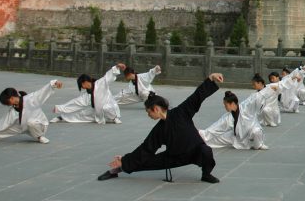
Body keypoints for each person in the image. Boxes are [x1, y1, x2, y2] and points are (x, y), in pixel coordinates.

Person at [96, 73, 225, 183]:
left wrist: (210, 78)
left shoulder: (181, 112)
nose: (149, 115)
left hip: (196, 151)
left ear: (156, 109)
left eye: (149, 112)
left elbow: (197, 97)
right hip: (174, 157)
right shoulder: (158, 130)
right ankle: (117, 170)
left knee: (206, 150)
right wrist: (124, 160)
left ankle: (206, 174)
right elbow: (145, 149)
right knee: (145, 161)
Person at [0, 79, 63, 144]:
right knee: (6, 129)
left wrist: (54, 83)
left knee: (31, 122)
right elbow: (2, 124)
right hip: (25, 127)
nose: (8, 104)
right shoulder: (13, 110)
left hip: (40, 126)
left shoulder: (31, 99)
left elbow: (42, 91)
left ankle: (40, 137)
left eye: (7, 102)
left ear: (11, 98)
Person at [51, 64, 123, 124]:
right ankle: (61, 117)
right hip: (98, 112)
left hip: (110, 108)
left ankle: (114, 118)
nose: (82, 87)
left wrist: (117, 67)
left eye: (81, 85)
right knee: (82, 114)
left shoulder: (100, 83)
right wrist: (59, 108)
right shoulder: (88, 95)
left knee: (106, 107)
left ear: (84, 82)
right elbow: (76, 103)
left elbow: (108, 76)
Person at [200, 91, 269, 150]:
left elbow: (254, 99)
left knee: (256, 131)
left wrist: (269, 89)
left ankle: (259, 145)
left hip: (251, 133)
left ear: (232, 104)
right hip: (237, 137)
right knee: (216, 138)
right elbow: (216, 127)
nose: (225, 107)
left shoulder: (245, 107)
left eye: (226, 105)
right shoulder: (228, 117)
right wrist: (202, 134)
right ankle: (199, 139)